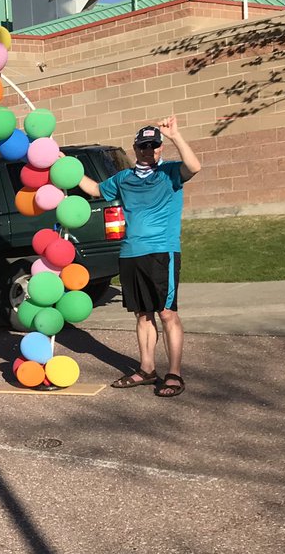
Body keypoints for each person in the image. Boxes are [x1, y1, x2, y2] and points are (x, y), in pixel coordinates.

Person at [78, 116, 200, 398]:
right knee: (142, 314)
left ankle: (174, 374)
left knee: (166, 313)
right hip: (131, 253)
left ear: (160, 148)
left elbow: (194, 167)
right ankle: (146, 369)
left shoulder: (170, 172)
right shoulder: (124, 178)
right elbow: (95, 189)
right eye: (144, 146)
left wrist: (176, 136)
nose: (149, 151)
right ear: (135, 149)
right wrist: (67, 167)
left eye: (154, 146)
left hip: (161, 252)